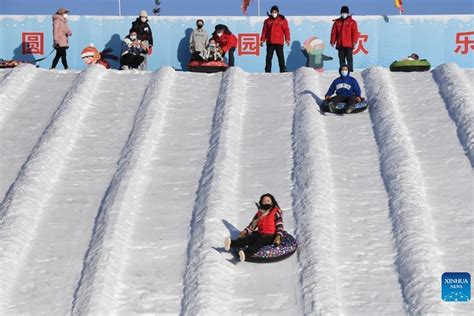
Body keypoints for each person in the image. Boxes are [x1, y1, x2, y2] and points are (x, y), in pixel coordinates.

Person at [224, 193, 284, 262]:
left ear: (272, 202)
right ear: (261, 202)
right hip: (260, 233)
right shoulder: (259, 213)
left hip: (271, 236)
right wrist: (245, 231)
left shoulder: (275, 212)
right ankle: (231, 243)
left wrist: (278, 236)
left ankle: (246, 254)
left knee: (259, 243)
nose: (265, 203)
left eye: (268, 201)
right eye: (264, 201)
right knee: (249, 238)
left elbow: (280, 225)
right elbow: (252, 225)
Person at [260, 5, 291, 73]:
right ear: (271, 12)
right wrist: (262, 40)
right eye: (273, 12)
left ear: (278, 12)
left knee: (280, 57)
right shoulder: (267, 21)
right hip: (270, 42)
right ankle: (267, 71)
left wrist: (287, 39)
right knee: (268, 58)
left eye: (275, 12)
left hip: (279, 42)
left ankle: (282, 70)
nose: (274, 13)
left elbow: (286, 30)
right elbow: (264, 31)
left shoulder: (282, 20)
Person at [330, 6, 359, 72]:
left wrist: (355, 41)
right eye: (342, 12)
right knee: (341, 58)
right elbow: (333, 33)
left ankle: (350, 70)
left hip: (349, 44)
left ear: (348, 13)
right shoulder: (337, 22)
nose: (343, 14)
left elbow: (355, 32)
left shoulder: (352, 22)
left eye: (345, 12)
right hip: (340, 44)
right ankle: (342, 70)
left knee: (349, 58)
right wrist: (332, 41)